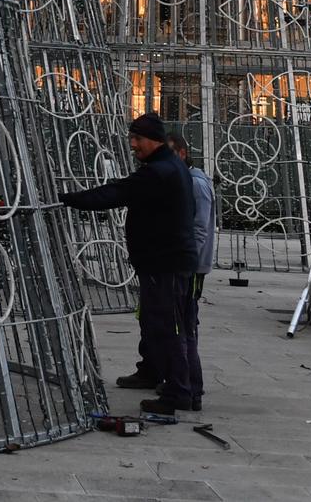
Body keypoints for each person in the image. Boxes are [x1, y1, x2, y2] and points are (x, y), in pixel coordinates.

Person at [57, 112, 199, 414]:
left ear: (154, 139)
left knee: (168, 327)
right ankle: (167, 379)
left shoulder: (159, 171)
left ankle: (178, 392)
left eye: (137, 139)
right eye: (131, 138)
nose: (133, 144)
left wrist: (68, 199)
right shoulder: (168, 167)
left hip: (166, 264)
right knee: (163, 323)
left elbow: (116, 193)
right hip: (167, 262)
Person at [167, 133, 215, 410]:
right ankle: (182, 384)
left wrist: (187, 262)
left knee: (184, 327)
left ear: (182, 153)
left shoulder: (196, 183)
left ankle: (190, 389)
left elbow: (199, 228)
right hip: (185, 264)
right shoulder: (187, 180)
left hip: (190, 268)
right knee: (181, 324)